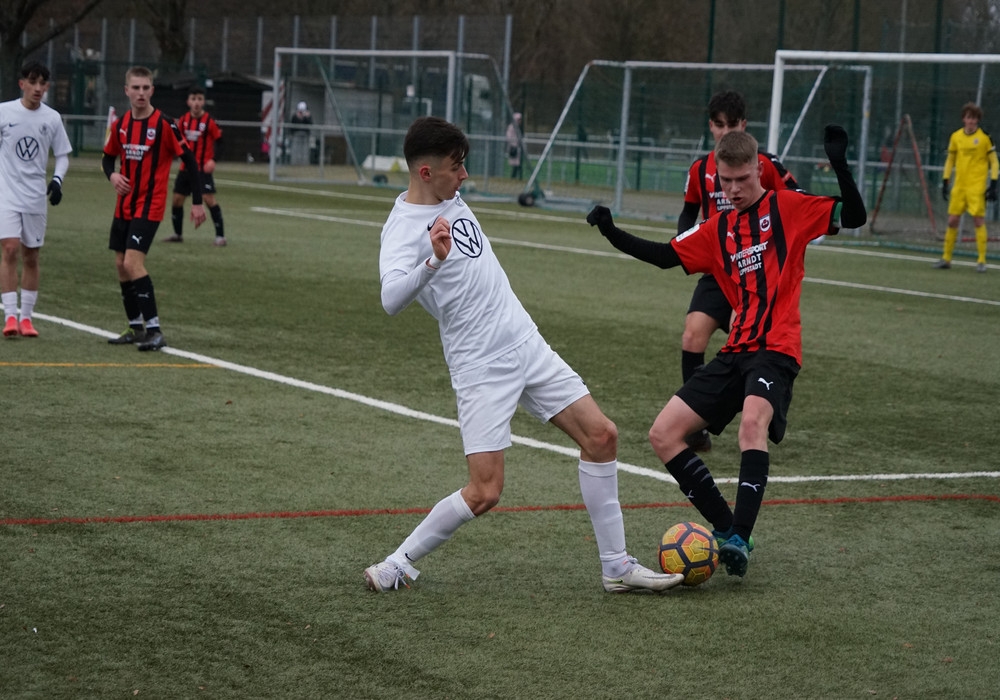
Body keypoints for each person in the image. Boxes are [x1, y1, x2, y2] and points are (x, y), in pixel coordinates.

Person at [364, 116, 682, 594]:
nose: (465, 175)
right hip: (480, 365)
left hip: (526, 342)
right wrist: (432, 261)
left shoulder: (450, 197)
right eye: (456, 166)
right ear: (426, 173)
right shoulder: (402, 229)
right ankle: (397, 563)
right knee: (485, 491)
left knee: (601, 436)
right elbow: (390, 300)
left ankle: (616, 566)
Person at [587, 126, 866, 578]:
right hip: (735, 351)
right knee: (663, 434)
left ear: (758, 170)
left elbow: (853, 216)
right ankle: (725, 527)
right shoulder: (718, 229)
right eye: (725, 181)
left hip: (776, 349)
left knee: (752, 424)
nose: (733, 189)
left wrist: (839, 165)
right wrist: (610, 230)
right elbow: (665, 255)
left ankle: (739, 537)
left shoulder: (788, 207)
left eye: (741, 179)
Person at [677, 91, 799, 453]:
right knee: (692, 336)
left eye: (732, 124)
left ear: (743, 125)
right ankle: (697, 425)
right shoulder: (700, 169)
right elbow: (688, 211)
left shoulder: (764, 164)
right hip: (718, 268)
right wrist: (682, 243)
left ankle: (760, 410)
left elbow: (796, 199)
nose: (725, 130)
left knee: (748, 341)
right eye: (719, 124)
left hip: (756, 271)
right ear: (711, 126)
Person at [103, 66, 206, 351]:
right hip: (124, 204)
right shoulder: (121, 124)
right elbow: (107, 159)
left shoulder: (164, 124)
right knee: (120, 265)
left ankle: (155, 330)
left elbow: (191, 162)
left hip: (150, 205)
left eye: (145, 88)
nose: (141, 93)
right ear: (127, 90)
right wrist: (112, 176)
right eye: (135, 88)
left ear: (152, 90)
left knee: (132, 263)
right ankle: (135, 327)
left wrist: (197, 202)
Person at [0, 62, 72, 338]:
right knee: (9, 249)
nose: (38, 88)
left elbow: (62, 154)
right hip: (6, 194)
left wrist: (57, 180)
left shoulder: (52, 118)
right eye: (33, 82)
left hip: (35, 197)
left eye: (43, 83)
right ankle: (10, 317)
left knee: (31, 255)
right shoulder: (4, 112)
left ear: (47, 86)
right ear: (22, 84)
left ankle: (27, 319)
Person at [936, 102, 999, 273]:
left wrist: (993, 183)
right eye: (968, 118)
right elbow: (950, 159)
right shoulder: (956, 137)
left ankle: (981, 260)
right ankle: (946, 258)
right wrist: (945, 180)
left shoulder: (984, 138)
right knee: (952, 220)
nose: (971, 121)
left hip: (976, 187)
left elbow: (994, 162)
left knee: (978, 220)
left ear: (978, 120)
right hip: (959, 186)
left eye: (974, 118)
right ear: (963, 119)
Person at [165, 87, 226, 246]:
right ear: (188, 102)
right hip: (185, 168)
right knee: (177, 199)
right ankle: (177, 234)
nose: (196, 102)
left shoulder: (209, 121)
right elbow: (175, 140)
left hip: (202, 169)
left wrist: (213, 160)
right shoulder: (183, 120)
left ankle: (220, 237)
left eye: (199, 99)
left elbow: (220, 142)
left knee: (208, 199)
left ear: (203, 101)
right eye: (193, 99)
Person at [289, 101, 312, 166]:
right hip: (296, 134)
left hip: (305, 134)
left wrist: (306, 117)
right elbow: (292, 124)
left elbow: (310, 124)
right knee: (296, 148)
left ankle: (304, 163)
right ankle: (294, 162)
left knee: (305, 149)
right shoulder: (294, 116)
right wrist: (298, 117)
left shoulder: (308, 116)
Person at [506, 112, 523, 179]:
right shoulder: (512, 127)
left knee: (517, 163)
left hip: (517, 147)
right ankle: (513, 177)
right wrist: (514, 143)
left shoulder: (517, 127)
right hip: (513, 147)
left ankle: (515, 177)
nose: (520, 121)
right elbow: (509, 136)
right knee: (515, 163)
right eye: (519, 120)